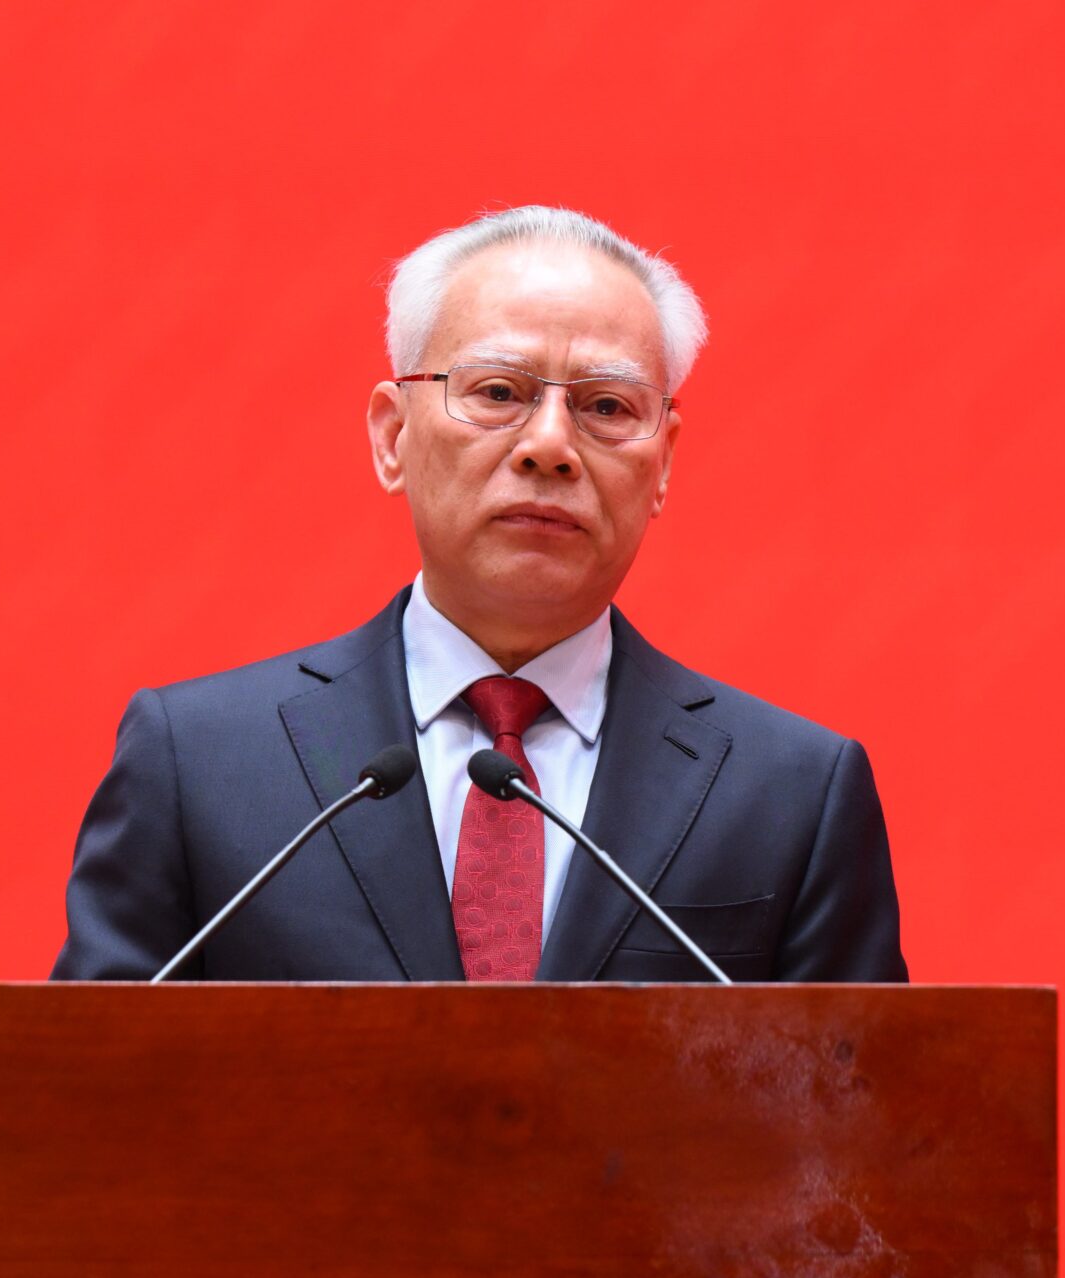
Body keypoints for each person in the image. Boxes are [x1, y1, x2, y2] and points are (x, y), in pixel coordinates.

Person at [52, 207, 906, 983]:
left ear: (664, 465)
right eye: (499, 392)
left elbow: (863, 1098)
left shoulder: (790, 795)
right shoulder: (200, 764)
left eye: (607, 406)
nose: (550, 445)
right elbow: (85, 1087)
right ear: (393, 435)